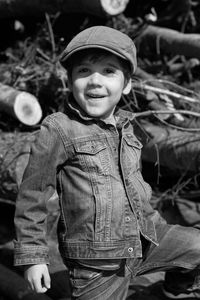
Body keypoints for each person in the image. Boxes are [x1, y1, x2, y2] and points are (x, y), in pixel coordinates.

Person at [13, 25, 200, 300]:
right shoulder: (59, 129)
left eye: (108, 71)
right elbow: (32, 195)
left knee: (196, 246)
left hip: (146, 237)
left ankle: (175, 290)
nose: (95, 81)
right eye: (84, 71)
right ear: (70, 80)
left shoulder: (128, 126)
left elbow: (131, 183)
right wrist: (33, 257)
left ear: (127, 84)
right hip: (97, 263)